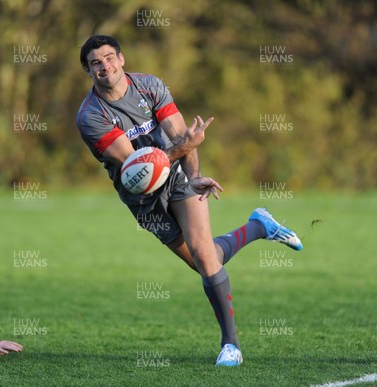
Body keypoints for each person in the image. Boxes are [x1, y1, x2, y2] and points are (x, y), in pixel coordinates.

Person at [76, 35, 302, 367]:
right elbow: (136, 166)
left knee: (206, 258)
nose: (105, 66)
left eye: (109, 58)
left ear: (121, 59)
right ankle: (258, 226)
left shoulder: (150, 86)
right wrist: (182, 149)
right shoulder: (90, 116)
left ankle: (231, 346)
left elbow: (182, 134)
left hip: (179, 178)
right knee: (202, 260)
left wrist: (194, 175)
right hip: (142, 197)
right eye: (96, 62)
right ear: (88, 71)